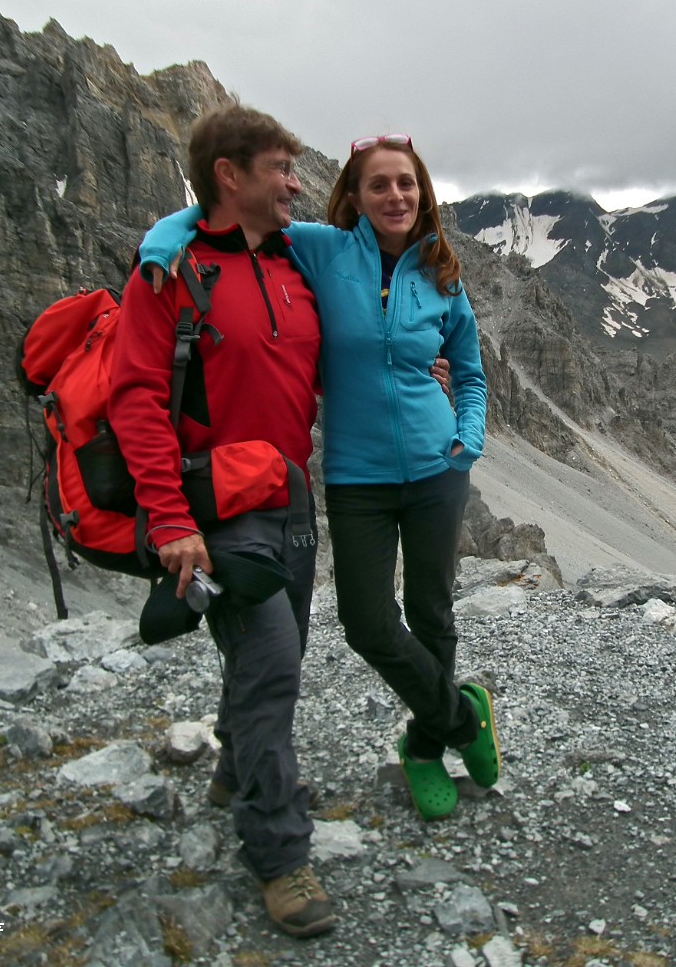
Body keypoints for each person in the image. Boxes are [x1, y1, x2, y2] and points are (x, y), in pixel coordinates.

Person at [140, 132, 500, 822]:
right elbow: (211, 217)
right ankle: (462, 716)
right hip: (356, 477)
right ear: (355, 199)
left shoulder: (443, 273)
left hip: (436, 470)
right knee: (367, 622)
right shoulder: (321, 249)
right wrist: (160, 247)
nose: (396, 196)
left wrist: (467, 438)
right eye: (379, 185)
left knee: (432, 613)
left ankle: (425, 747)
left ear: (422, 193)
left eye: (407, 184)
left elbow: (472, 374)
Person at [109, 104, 336, 938]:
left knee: (279, 653)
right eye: (280, 168)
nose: (295, 184)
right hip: (215, 508)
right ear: (228, 176)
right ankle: (279, 855)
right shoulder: (169, 273)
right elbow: (135, 396)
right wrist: (170, 519)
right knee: (272, 659)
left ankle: (235, 771)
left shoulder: (292, 264)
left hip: (290, 499)